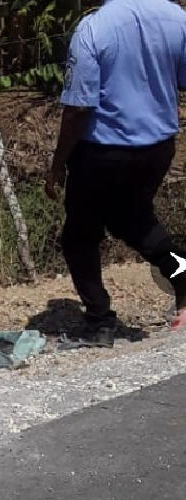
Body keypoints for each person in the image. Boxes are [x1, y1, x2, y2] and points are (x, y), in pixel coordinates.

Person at [46, 0, 186, 347]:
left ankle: (100, 322)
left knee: (80, 235)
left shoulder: (93, 28)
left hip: (103, 152)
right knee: (133, 220)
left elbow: (79, 108)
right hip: (158, 148)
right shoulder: (177, 17)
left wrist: (58, 163)